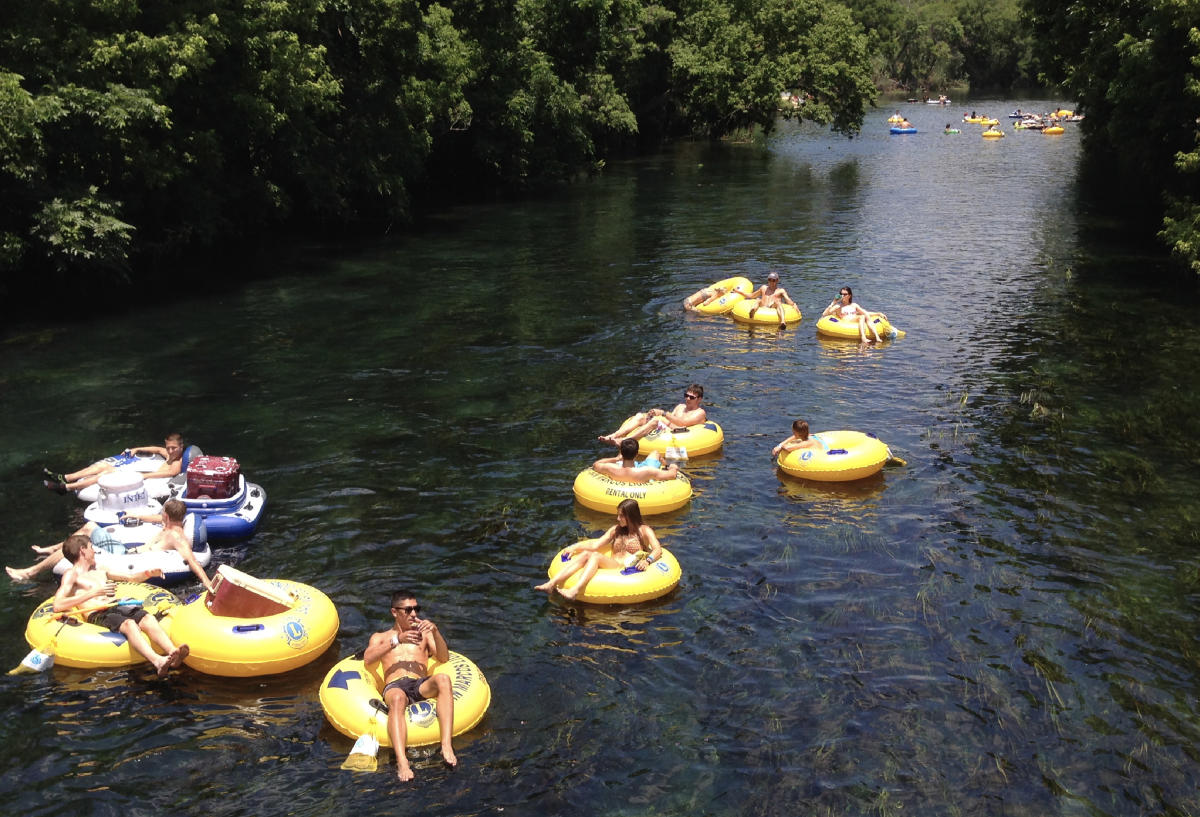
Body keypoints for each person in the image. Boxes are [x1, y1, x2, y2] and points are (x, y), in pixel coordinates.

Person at [53, 534, 188, 678]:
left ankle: (173, 652)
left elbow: (130, 578)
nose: (94, 551)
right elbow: (57, 604)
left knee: (147, 618)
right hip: (97, 613)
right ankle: (157, 661)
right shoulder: (71, 575)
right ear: (83, 551)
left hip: (116, 606)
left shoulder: (99, 570)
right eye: (91, 548)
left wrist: (149, 573)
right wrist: (93, 593)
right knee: (129, 624)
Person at [6, 500, 212, 590]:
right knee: (90, 527)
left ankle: (30, 572)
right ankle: (49, 549)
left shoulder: (176, 537)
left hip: (123, 558)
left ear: (167, 514)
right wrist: (136, 515)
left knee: (81, 539)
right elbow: (153, 518)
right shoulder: (168, 525)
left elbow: (192, 561)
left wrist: (207, 583)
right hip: (126, 553)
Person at [362, 591, 457, 781]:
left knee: (444, 679)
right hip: (394, 686)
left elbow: (444, 658)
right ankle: (402, 762)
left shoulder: (425, 633)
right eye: (408, 610)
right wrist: (398, 640)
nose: (414, 614)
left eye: (416, 609)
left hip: (419, 683)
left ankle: (446, 745)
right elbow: (368, 660)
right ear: (394, 612)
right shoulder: (381, 637)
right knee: (397, 698)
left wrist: (436, 632)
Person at [535, 498, 663, 600]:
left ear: (630, 516)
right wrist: (573, 547)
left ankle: (575, 590)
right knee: (587, 553)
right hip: (611, 564)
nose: (618, 519)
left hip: (624, 569)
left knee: (595, 555)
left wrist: (648, 561)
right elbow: (595, 545)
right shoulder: (616, 530)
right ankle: (551, 584)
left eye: (621, 516)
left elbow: (657, 549)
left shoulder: (645, 531)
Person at [43, 433, 187, 494]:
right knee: (101, 466)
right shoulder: (169, 453)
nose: (170, 450)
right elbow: (156, 449)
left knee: (105, 473)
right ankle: (67, 477)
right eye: (168, 447)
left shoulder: (178, 460)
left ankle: (66, 488)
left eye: (173, 448)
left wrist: (144, 475)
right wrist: (136, 449)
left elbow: (170, 473)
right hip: (143, 474)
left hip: (146, 478)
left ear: (181, 446)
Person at [598, 385, 707, 445]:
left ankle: (627, 440)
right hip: (669, 429)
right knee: (640, 416)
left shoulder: (700, 413)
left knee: (657, 421)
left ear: (699, 399)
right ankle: (614, 435)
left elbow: (683, 423)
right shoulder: (680, 406)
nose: (688, 398)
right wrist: (653, 415)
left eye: (692, 397)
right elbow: (671, 419)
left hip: (682, 433)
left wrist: (663, 414)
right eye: (686, 395)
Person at [592, 438, 680, 483]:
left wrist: (616, 459)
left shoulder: (611, 468)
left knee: (655, 453)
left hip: (623, 470)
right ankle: (666, 464)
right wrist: (673, 466)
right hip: (640, 473)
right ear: (636, 454)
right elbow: (672, 475)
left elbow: (596, 464)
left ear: (621, 453)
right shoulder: (648, 470)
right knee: (655, 452)